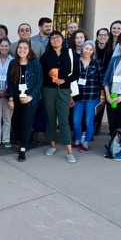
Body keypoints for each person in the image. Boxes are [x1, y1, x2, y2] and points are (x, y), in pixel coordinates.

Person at [39, 30, 79, 163]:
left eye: (57, 37)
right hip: (48, 89)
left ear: (62, 39)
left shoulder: (70, 53)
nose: (55, 40)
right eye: (52, 38)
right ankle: (52, 145)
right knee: (50, 117)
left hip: (64, 89)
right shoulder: (45, 56)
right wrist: (49, 74)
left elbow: (76, 74)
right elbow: (41, 74)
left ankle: (69, 151)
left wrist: (64, 81)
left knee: (63, 119)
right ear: (49, 41)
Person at [7, 39, 43, 162]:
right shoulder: (13, 63)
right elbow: (10, 82)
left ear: (29, 50)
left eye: (25, 48)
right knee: (16, 120)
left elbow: (39, 82)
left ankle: (23, 148)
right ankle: (22, 138)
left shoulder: (35, 63)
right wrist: (11, 98)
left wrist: (31, 96)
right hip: (17, 98)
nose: (22, 50)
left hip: (31, 98)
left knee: (27, 122)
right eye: (20, 48)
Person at [71, 41, 103, 152]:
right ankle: (77, 140)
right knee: (76, 120)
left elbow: (101, 79)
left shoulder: (97, 62)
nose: (87, 51)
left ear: (93, 51)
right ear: (82, 49)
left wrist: (102, 96)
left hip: (92, 96)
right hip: (78, 96)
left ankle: (86, 142)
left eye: (90, 49)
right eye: (86, 48)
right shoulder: (76, 62)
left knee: (89, 120)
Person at [94, 28, 112, 135]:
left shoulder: (111, 51)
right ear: (97, 37)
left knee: (102, 102)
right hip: (93, 79)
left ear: (108, 37)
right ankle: (92, 123)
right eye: (100, 35)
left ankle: (98, 125)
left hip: (106, 80)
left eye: (105, 35)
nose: (103, 37)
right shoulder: (93, 49)